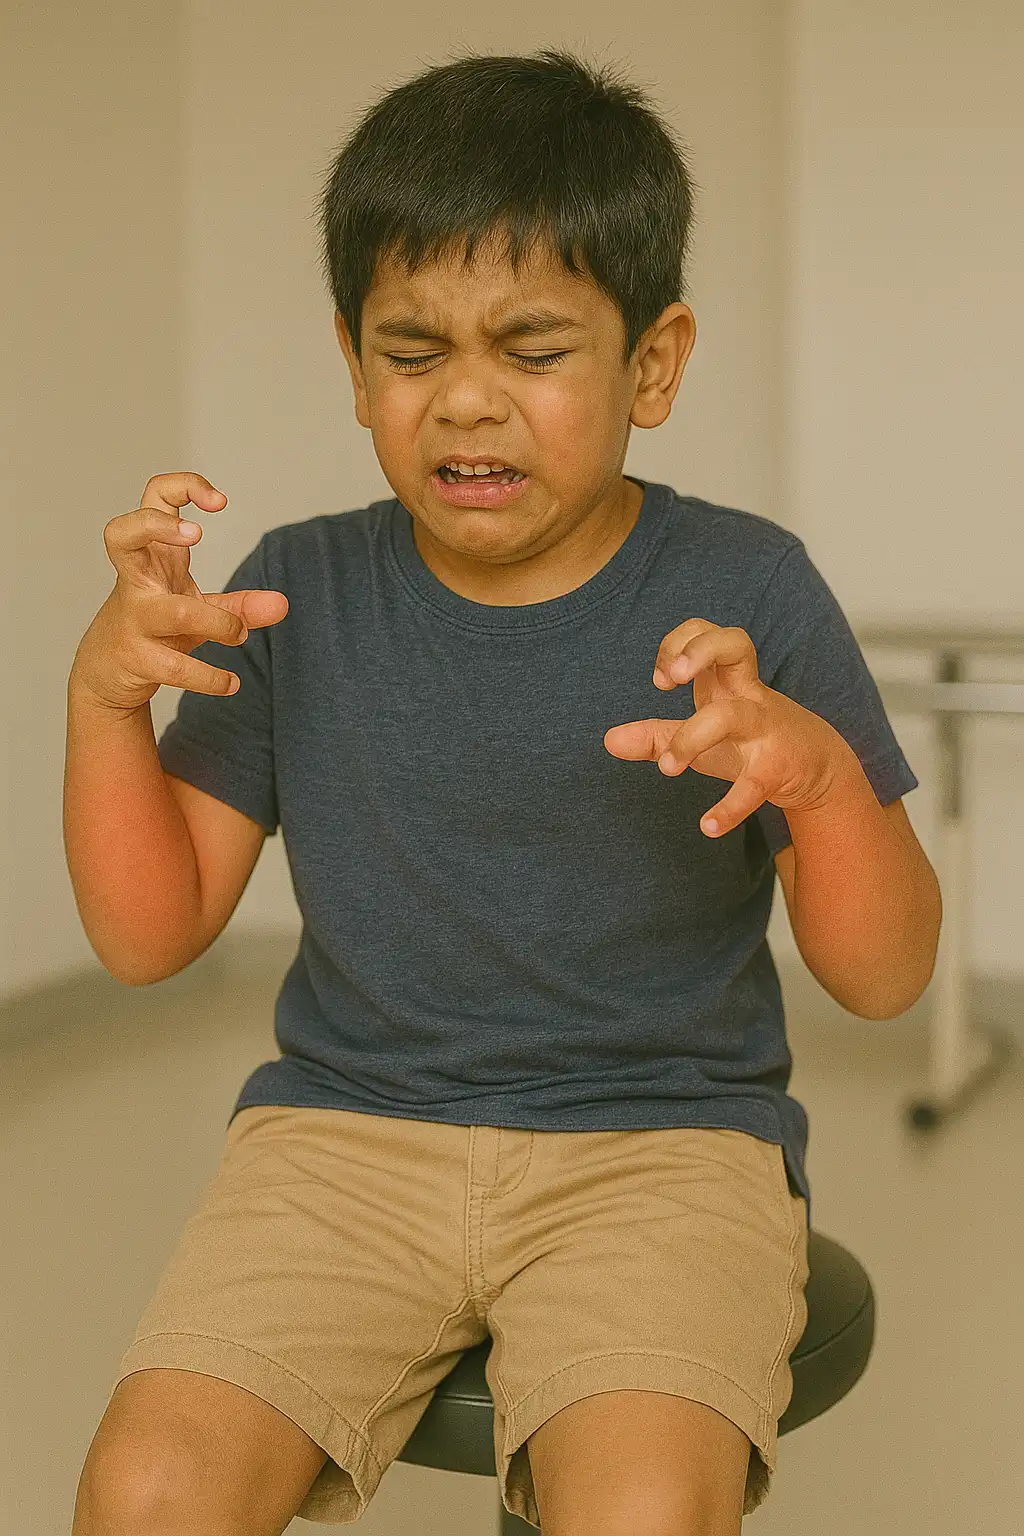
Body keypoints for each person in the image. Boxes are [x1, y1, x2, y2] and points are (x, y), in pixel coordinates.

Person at [64, 47, 941, 1536]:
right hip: (341, 1141)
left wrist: (824, 782)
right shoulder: (298, 592)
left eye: (533, 353)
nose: (467, 404)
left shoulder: (747, 587)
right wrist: (104, 700)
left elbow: (884, 976)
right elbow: (149, 937)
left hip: (664, 1151)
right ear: (353, 363)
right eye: (413, 356)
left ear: (650, 366)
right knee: (145, 1490)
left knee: (645, 1510)